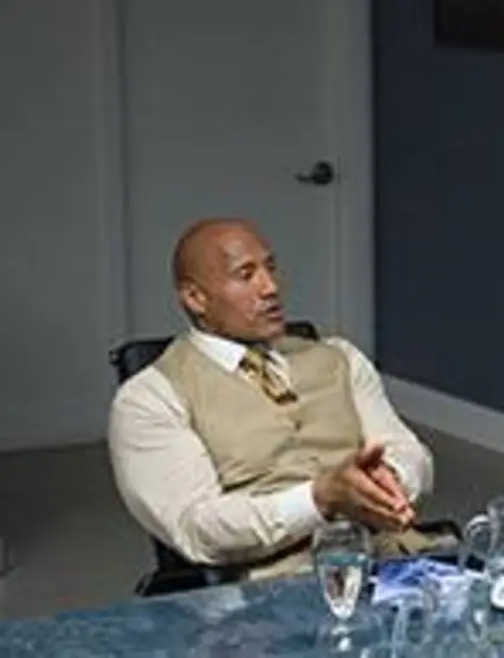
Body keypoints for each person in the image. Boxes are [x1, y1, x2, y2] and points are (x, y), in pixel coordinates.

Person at [109, 218, 435, 580]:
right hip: (280, 586)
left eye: (270, 268)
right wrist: (319, 498)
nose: (270, 287)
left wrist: (389, 481)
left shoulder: (339, 358)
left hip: (396, 561)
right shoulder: (150, 398)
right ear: (195, 298)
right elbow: (198, 529)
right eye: (246, 275)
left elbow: (410, 453)